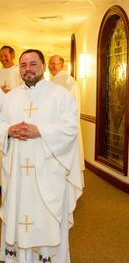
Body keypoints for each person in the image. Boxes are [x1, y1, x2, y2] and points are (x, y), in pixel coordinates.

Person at [0, 49, 83, 263]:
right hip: (18, 171)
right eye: (23, 65)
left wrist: (39, 130)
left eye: (33, 64)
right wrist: (9, 131)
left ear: (42, 66)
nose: (28, 69)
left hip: (47, 170)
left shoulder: (60, 95)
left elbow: (70, 127)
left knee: (44, 214)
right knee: (17, 211)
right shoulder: (11, 96)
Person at [48, 55, 85, 185]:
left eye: (54, 63)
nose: (51, 66)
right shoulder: (50, 81)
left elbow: (71, 103)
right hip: (53, 126)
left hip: (64, 126)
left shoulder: (68, 81)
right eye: (49, 63)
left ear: (61, 65)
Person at [0, 45, 23, 193]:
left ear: (13, 55)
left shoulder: (19, 71)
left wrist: (11, 93)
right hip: (0, 114)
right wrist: (0, 93)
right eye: (0, 56)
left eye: (5, 55)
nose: (3, 59)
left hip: (14, 115)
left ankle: (13, 181)